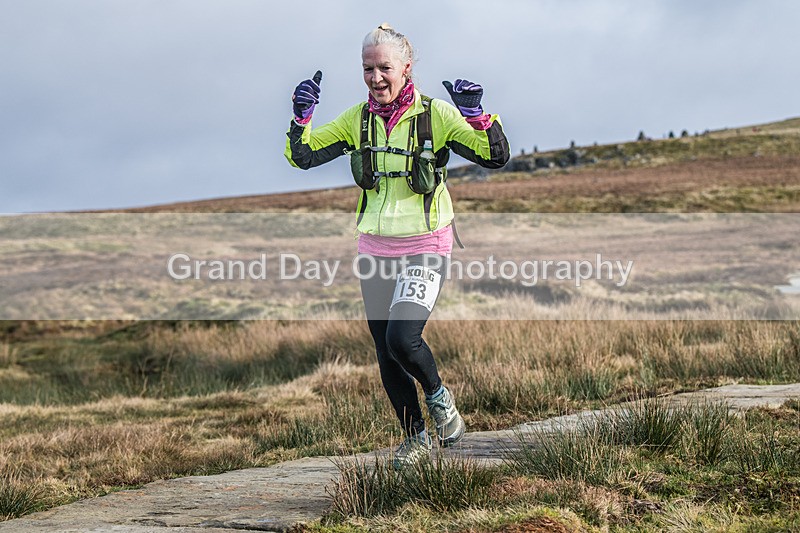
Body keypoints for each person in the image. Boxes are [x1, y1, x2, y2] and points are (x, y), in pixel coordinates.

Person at [284, 23, 509, 469]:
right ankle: (415, 439)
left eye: (384, 67)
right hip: (375, 248)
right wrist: (301, 117)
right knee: (384, 351)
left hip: (427, 243)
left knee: (403, 339)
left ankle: (439, 397)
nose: (375, 77)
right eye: (368, 69)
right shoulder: (357, 119)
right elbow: (303, 157)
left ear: (406, 67)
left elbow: (495, 156)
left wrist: (478, 114)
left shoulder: (436, 116)